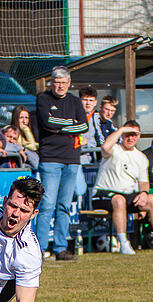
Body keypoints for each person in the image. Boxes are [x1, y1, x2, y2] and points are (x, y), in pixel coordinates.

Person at [92, 121, 153, 255]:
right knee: (119, 200)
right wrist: (121, 129)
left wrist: (143, 193)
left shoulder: (141, 157)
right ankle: (123, 243)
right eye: (127, 135)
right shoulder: (114, 150)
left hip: (127, 195)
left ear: (139, 136)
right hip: (103, 194)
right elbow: (105, 146)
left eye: (134, 135)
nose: (130, 138)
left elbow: (144, 182)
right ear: (122, 135)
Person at [34, 65, 88, 261]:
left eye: (64, 83)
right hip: (50, 159)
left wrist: (60, 125)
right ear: (52, 83)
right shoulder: (43, 99)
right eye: (57, 82)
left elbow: (83, 126)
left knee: (64, 205)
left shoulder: (74, 101)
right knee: (47, 205)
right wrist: (69, 124)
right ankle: (38, 249)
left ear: (69, 83)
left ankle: (60, 248)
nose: (60, 86)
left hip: (72, 159)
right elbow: (47, 122)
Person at [10, 105, 38, 171]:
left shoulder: (28, 131)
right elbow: (32, 146)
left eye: (26, 118)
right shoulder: (11, 131)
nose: (24, 121)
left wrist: (26, 130)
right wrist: (26, 130)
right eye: (21, 118)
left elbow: (33, 147)